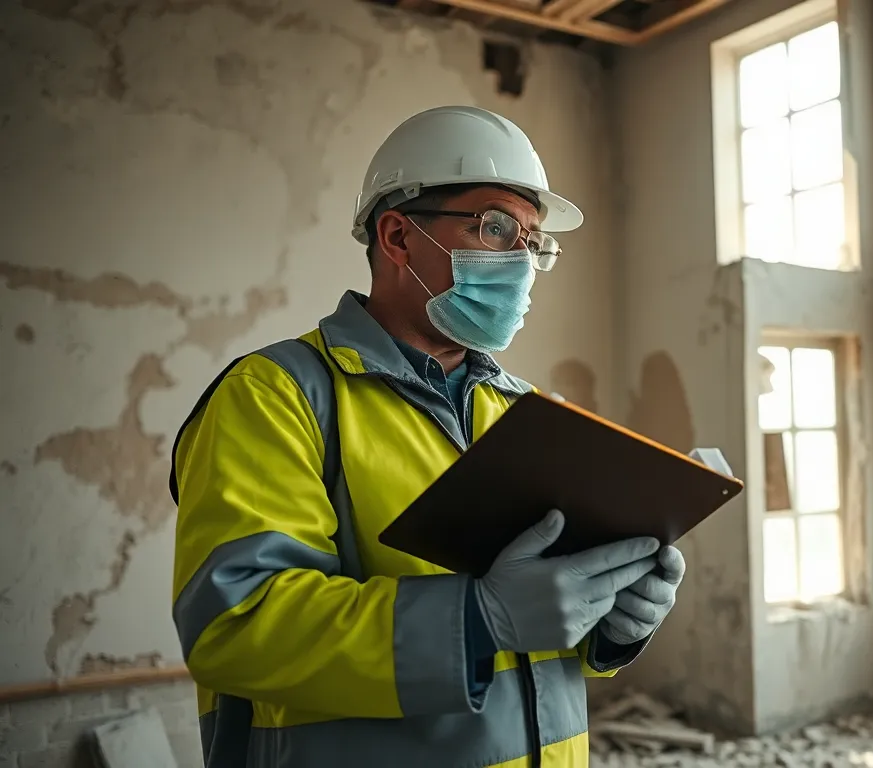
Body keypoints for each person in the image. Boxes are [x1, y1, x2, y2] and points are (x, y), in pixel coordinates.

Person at [168, 105, 685, 768]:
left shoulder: (527, 413)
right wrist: (477, 619)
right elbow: (234, 625)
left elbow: (544, 631)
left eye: (534, 242)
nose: (522, 261)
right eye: (497, 227)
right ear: (397, 236)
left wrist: (611, 622)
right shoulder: (278, 395)